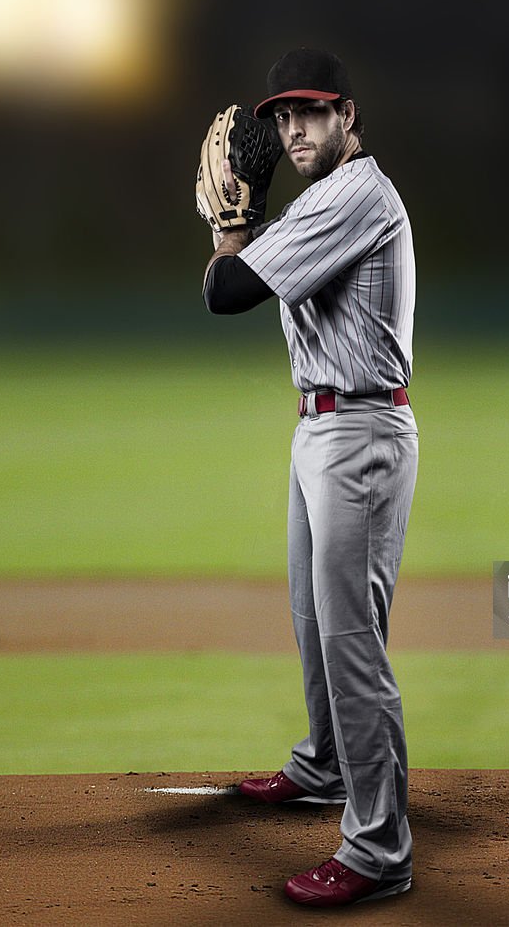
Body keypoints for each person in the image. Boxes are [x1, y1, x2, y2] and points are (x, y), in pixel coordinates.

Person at [201, 48, 418, 907]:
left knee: (350, 642)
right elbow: (237, 283)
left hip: (360, 432)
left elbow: (226, 292)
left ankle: (378, 851)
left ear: (348, 118)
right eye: (282, 116)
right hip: (319, 429)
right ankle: (327, 765)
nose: (292, 128)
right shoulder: (321, 198)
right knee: (311, 616)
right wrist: (244, 227)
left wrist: (230, 222)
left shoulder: (355, 196)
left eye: (311, 113)